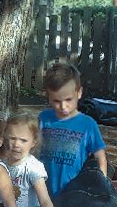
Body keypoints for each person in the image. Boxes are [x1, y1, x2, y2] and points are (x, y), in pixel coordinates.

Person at [38, 62, 108, 197]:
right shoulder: (44, 118)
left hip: (72, 192)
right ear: (48, 97)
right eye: (56, 101)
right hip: (42, 191)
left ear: (79, 93)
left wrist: (101, 184)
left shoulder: (88, 124)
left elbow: (100, 155)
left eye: (68, 99)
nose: (63, 106)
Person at [3, 113, 63, 207]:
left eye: (23, 140)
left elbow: (45, 200)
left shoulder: (32, 168)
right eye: (12, 138)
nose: (16, 144)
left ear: (33, 142)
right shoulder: (2, 163)